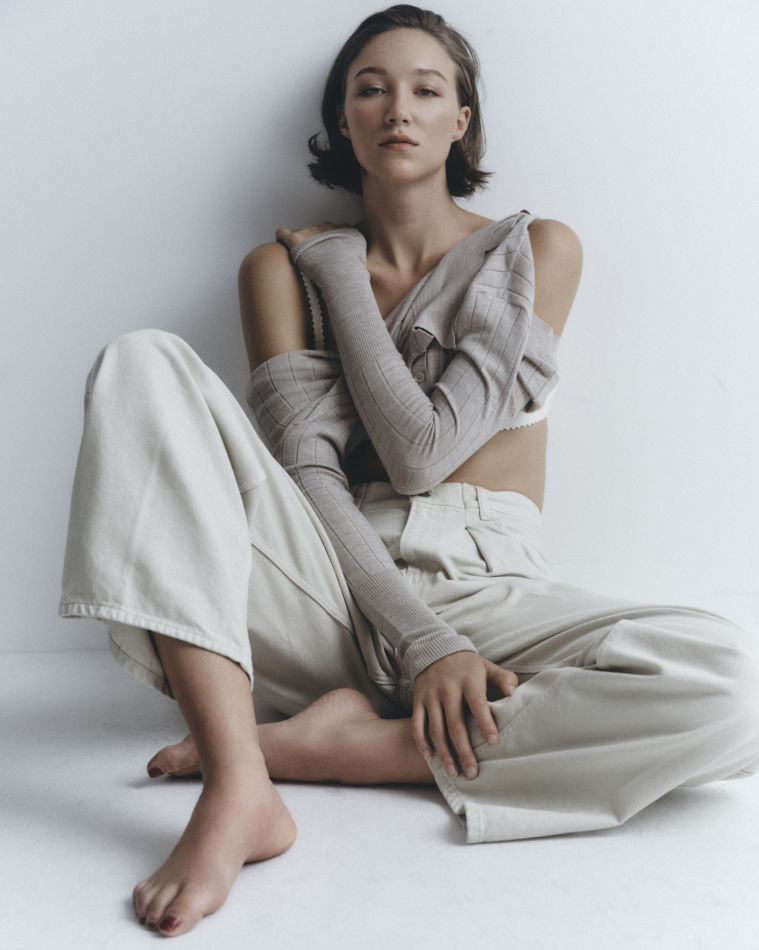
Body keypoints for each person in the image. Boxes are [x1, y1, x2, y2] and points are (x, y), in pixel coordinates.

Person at [59, 3, 759, 939]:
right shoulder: (279, 268)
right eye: (370, 89)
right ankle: (238, 783)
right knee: (140, 361)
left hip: (487, 592)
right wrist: (417, 641)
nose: (398, 107)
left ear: (460, 120)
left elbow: (422, 452)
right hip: (329, 584)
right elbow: (311, 478)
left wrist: (343, 276)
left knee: (728, 687)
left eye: (426, 90)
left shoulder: (533, 250)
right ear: (341, 120)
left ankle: (347, 750)